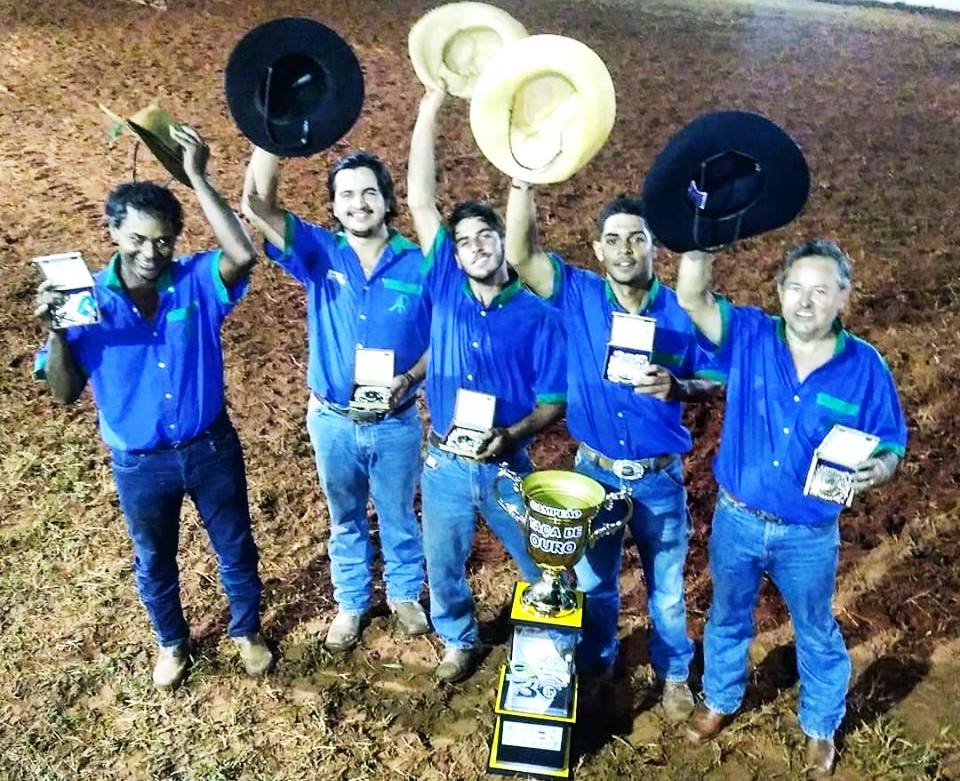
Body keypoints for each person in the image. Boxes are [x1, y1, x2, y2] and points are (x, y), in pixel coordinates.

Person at [34, 125, 271, 689]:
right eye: (137, 238)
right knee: (154, 559)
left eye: (162, 241)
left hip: (210, 444)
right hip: (140, 463)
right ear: (113, 231)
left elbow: (242, 252)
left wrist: (197, 176)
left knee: (235, 544)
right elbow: (63, 393)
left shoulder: (194, 282)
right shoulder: (83, 302)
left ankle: (246, 630)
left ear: (174, 242)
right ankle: (171, 641)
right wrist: (60, 334)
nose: (150, 252)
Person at [676, 240, 907, 775]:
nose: (806, 302)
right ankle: (719, 699)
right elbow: (692, 297)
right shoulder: (751, 337)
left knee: (816, 626)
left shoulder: (865, 367)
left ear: (843, 297)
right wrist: (702, 240)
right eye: (796, 288)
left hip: (808, 533)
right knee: (728, 616)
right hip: (736, 519)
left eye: (821, 290)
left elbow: (891, 443)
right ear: (779, 291)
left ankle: (821, 725)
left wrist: (879, 469)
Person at [504, 182, 721, 719]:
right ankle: (599, 662)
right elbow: (520, 254)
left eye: (637, 238)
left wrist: (680, 386)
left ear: (654, 247)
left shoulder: (681, 311)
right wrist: (521, 182)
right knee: (595, 585)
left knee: (666, 591)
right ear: (598, 249)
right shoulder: (575, 293)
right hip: (593, 477)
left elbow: (714, 376)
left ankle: (673, 675)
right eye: (614, 239)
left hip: (659, 478)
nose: (626, 249)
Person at [241, 147, 431, 652]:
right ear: (334, 205)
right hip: (333, 419)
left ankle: (405, 593)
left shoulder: (418, 263)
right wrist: (268, 139)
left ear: (388, 201)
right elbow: (256, 203)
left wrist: (410, 377)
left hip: (395, 419)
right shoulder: (319, 252)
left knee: (398, 512)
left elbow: (443, 338)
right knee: (343, 515)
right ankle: (351, 601)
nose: (358, 202)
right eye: (346, 194)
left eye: (369, 191)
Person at [407, 87, 568, 683]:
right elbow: (421, 200)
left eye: (485, 236)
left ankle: (548, 645)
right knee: (441, 561)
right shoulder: (445, 286)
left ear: (503, 241)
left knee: (540, 561)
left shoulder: (539, 315)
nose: (474, 247)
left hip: (506, 462)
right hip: (445, 462)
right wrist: (431, 104)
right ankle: (458, 637)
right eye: (464, 241)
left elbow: (554, 401)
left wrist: (513, 434)